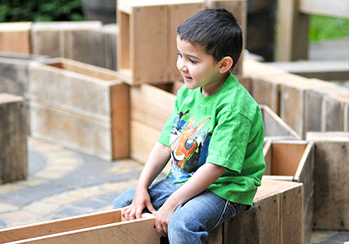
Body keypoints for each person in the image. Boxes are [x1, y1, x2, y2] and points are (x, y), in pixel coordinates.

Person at [113, 8, 265, 244]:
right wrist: (142, 187)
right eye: (180, 55)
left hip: (224, 189)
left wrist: (172, 203)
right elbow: (165, 144)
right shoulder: (188, 93)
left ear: (224, 65)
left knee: (182, 224)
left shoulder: (235, 108)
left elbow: (216, 167)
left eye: (192, 60)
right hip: (182, 180)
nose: (182, 66)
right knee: (123, 205)